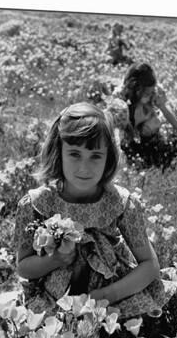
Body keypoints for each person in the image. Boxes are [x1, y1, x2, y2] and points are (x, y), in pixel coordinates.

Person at [14, 102, 167, 319]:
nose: (84, 168)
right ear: (59, 152)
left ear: (108, 158)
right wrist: (56, 259)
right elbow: (23, 267)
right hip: (55, 297)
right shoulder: (37, 203)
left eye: (95, 156)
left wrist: (103, 297)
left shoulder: (120, 203)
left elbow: (150, 266)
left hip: (111, 294)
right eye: (75, 154)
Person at [121, 63, 177, 167]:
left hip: (150, 135)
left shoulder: (153, 92)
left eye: (152, 92)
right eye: (147, 94)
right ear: (136, 90)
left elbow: (167, 114)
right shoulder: (123, 104)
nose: (150, 96)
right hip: (131, 138)